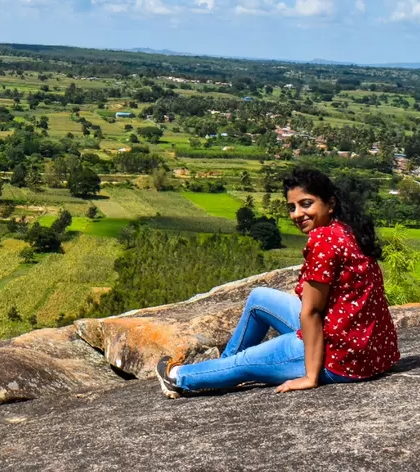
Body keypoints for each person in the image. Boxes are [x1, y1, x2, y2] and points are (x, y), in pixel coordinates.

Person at [155, 167, 399, 397]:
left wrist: (310, 377)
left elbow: (311, 312)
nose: (297, 214)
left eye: (306, 204)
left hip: (340, 359)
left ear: (330, 203)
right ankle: (219, 369)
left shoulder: (324, 240)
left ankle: (178, 377)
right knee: (259, 298)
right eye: (292, 207)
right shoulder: (346, 230)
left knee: (246, 361)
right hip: (368, 350)